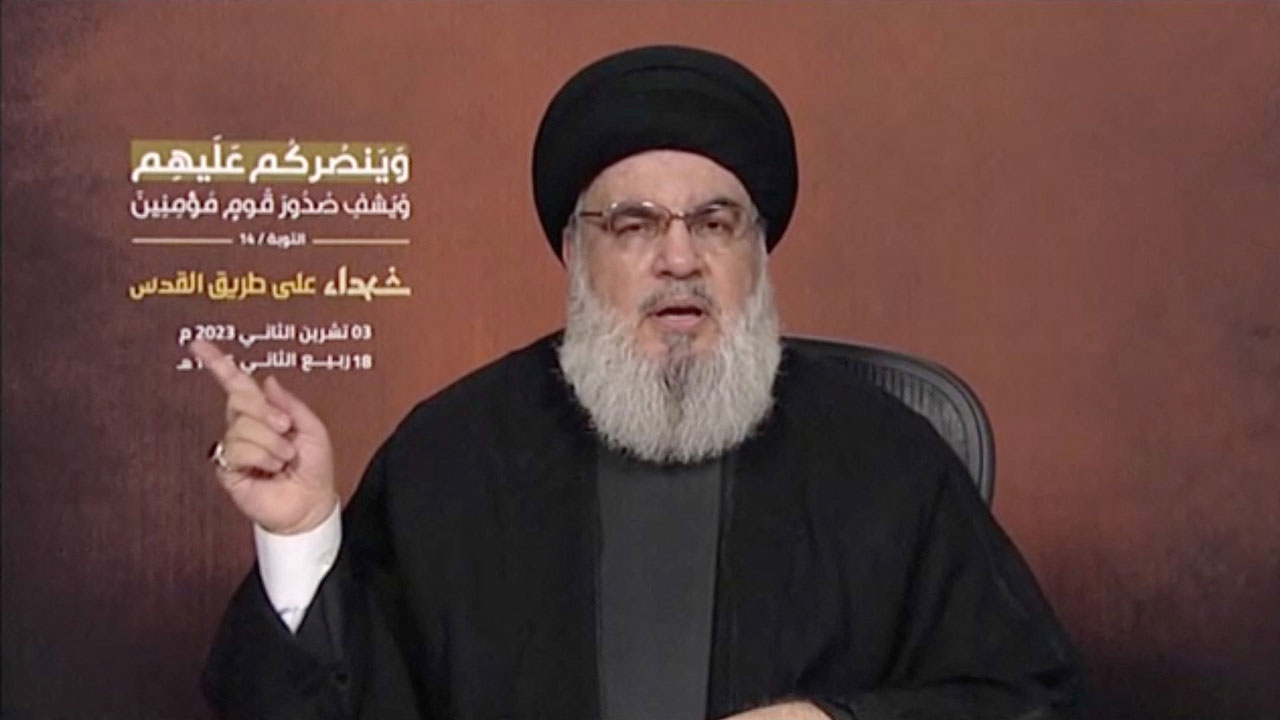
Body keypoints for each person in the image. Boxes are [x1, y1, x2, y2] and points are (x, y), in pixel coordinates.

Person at [195, 45, 1081, 720]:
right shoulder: (453, 453)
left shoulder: (884, 455)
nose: (679, 257)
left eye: (716, 222)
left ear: (758, 253)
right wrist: (302, 536)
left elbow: (1030, 697)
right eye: (633, 225)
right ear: (575, 253)